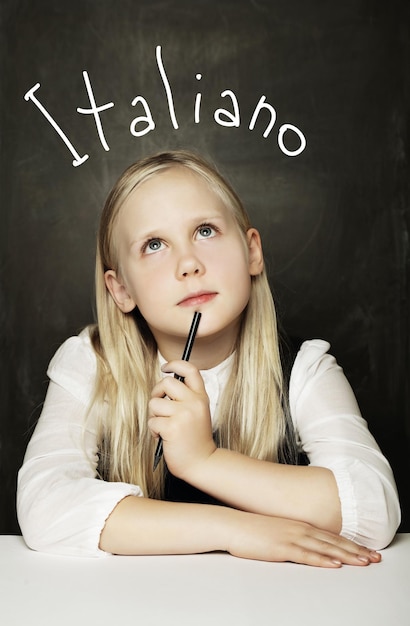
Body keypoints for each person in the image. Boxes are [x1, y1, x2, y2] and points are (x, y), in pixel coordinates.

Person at [17, 150, 400, 566]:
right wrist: (235, 529)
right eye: (154, 244)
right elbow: (44, 505)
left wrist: (205, 460)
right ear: (120, 289)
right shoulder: (91, 364)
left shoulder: (305, 368)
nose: (188, 264)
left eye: (204, 231)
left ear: (252, 251)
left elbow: (375, 510)